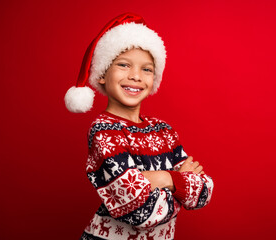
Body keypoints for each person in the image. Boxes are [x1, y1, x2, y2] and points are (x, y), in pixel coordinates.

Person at [64, 13, 214, 240]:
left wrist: (161, 179)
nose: (135, 76)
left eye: (146, 69)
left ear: (154, 79)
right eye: (124, 65)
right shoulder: (104, 131)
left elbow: (204, 191)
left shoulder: (163, 130)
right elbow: (140, 212)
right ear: (103, 74)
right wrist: (177, 179)